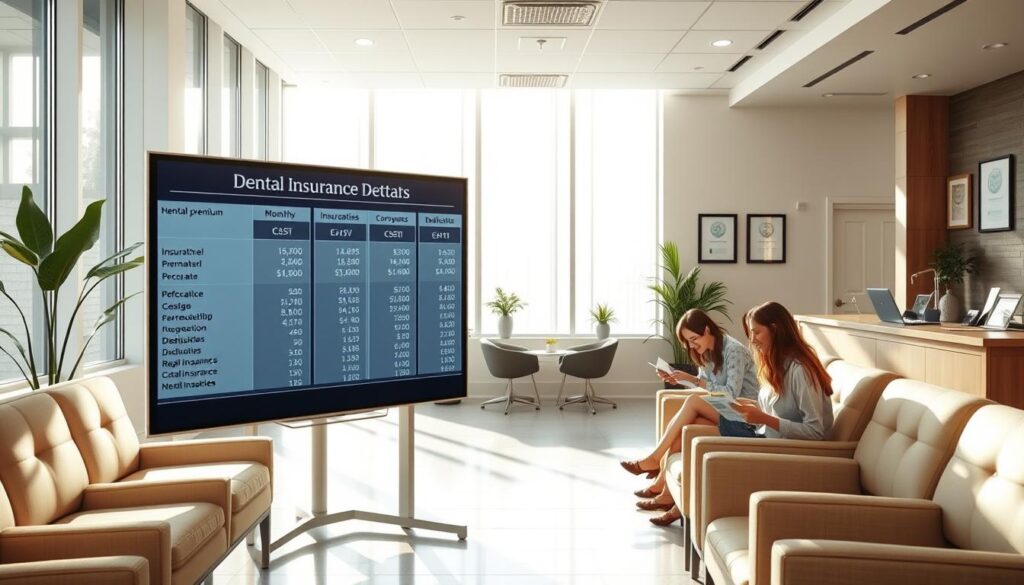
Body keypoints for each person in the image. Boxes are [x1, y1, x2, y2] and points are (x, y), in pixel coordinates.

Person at [639, 301, 835, 525]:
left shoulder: (799, 370)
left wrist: (763, 418)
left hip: (782, 447)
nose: (752, 339)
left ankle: (667, 491)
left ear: (776, 329)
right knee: (692, 432)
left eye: (756, 332)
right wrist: (750, 407)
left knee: (695, 414)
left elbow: (816, 431)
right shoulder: (776, 365)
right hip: (764, 433)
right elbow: (773, 408)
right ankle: (673, 501)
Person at [619, 309, 760, 518]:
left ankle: (654, 459)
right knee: (687, 428)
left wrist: (693, 380)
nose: (692, 345)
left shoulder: (734, 351)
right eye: (688, 341)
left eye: (694, 339)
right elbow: (707, 390)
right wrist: (680, 380)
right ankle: (665, 492)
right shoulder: (705, 353)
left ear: (706, 330)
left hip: (747, 416)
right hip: (726, 411)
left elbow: (730, 394)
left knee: (693, 401)